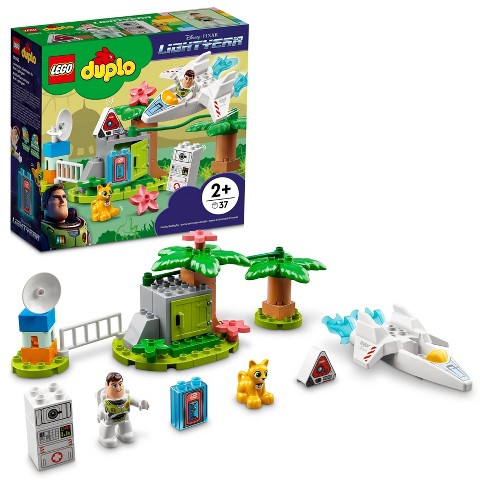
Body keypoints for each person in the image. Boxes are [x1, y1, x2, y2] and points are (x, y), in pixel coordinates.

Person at [97, 372, 149, 448]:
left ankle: (124, 433)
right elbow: (101, 407)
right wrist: (101, 413)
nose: (118, 388)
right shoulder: (106, 401)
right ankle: (107, 437)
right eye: (114, 386)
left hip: (124, 417)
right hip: (110, 419)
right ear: (107, 386)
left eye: (120, 384)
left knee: (126, 426)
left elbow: (134, 401)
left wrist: (140, 403)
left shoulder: (126, 397)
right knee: (108, 427)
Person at [40, 183, 90, 250]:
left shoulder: (80, 226)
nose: (62, 201)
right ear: (44, 206)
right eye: (56, 197)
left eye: (64, 197)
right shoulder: (42, 231)